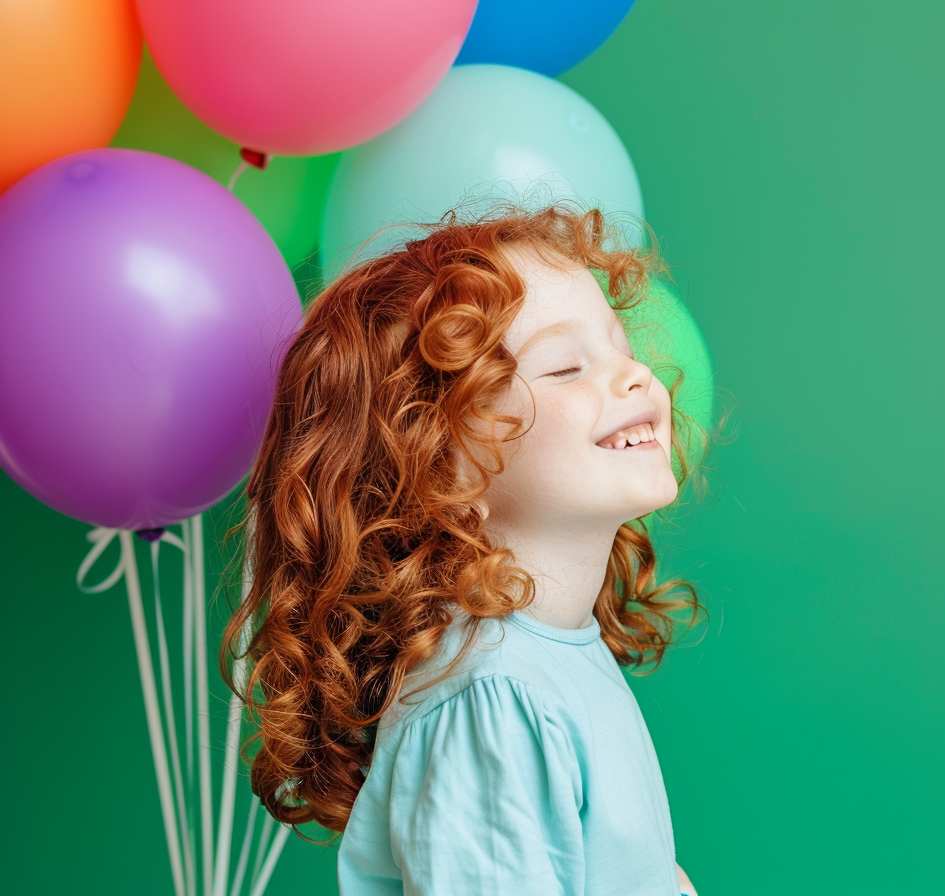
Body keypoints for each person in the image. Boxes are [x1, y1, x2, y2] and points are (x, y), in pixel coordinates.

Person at [218, 198, 716, 895]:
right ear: (443, 469)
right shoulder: (492, 703)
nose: (635, 375)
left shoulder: (552, 659)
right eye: (566, 368)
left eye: (623, 348)